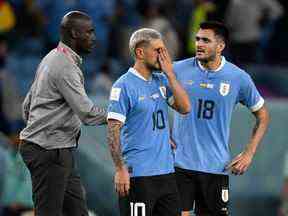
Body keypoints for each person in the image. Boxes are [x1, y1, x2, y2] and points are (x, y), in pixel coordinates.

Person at [171, 21, 270, 216]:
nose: (199, 44)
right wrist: (164, 133)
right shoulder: (177, 69)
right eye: (198, 39)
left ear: (220, 46)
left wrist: (249, 153)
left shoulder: (238, 77)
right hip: (178, 164)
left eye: (206, 40)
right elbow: (153, 98)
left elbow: (263, 115)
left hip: (215, 167)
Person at [19, 11, 107, 216]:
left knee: (78, 212)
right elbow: (87, 113)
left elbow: (27, 106)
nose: (94, 37)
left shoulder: (51, 57)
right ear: (75, 34)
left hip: (57, 149)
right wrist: (120, 115)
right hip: (49, 151)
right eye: (90, 32)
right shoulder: (65, 66)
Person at [107, 28, 191, 216]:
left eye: (164, 50)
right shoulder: (123, 86)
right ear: (140, 52)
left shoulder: (161, 81)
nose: (163, 56)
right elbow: (112, 130)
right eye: (158, 50)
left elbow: (185, 108)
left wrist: (170, 74)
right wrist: (120, 169)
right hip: (139, 175)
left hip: (167, 173)